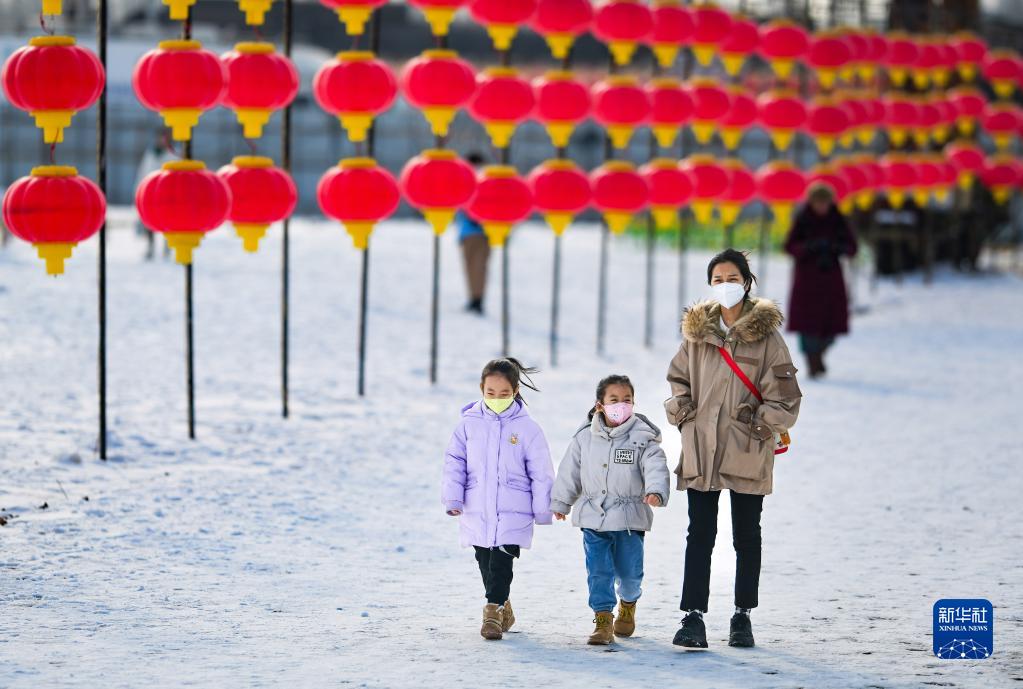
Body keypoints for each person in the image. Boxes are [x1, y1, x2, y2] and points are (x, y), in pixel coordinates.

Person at [665, 249, 802, 650]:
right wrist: (683, 411)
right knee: (700, 534)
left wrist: (761, 425)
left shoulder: (769, 340)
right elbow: (677, 379)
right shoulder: (696, 334)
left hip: (746, 449)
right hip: (703, 448)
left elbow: (787, 398)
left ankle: (742, 615)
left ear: (747, 282)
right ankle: (693, 617)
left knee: (746, 535)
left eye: (732, 278)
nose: (725, 285)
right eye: (717, 279)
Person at [550, 374, 670, 646]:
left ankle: (628, 603)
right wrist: (561, 502)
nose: (621, 405)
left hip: (630, 518)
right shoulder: (584, 438)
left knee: (630, 573)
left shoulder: (643, 438)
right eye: (614, 400)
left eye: (626, 400)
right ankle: (603, 619)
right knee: (598, 571)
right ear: (600, 405)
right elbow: (569, 471)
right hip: (593, 516)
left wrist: (656, 491)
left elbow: (655, 465)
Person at [441, 358, 555, 640]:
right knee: (484, 560)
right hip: (476, 506)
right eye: (490, 393)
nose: (496, 399)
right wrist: (453, 499)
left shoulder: (528, 429)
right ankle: (504, 605)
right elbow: (455, 462)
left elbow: (541, 471)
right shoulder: (468, 425)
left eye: (503, 394)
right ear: (481, 389)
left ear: (515, 391)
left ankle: (491, 612)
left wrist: (543, 509)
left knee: (502, 561)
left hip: (514, 509)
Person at [783, 184, 858, 378]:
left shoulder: (838, 220)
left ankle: (819, 354)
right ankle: (812, 361)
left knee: (830, 324)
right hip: (807, 279)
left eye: (825, 203)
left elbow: (852, 247)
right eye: (818, 203)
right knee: (807, 324)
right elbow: (789, 246)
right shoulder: (803, 220)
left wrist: (836, 247)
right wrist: (808, 247)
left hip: (830, 278)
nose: (822, 207)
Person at [456, 152, 489, 314]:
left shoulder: (476, 180)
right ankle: (475, 297)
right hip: (472, 231)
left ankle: (476, 298)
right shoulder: (471, 180)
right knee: (476, 267)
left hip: (476, 230)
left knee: (475, 266)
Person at [134, 134, 176, 260]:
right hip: (150, 194)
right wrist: (138, 190)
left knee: (167, 221)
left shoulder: (172, 156)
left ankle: (166, 248)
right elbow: (142, 173)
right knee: (149, 221)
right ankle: (150, 247)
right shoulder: (150, 155)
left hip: (165, 195)